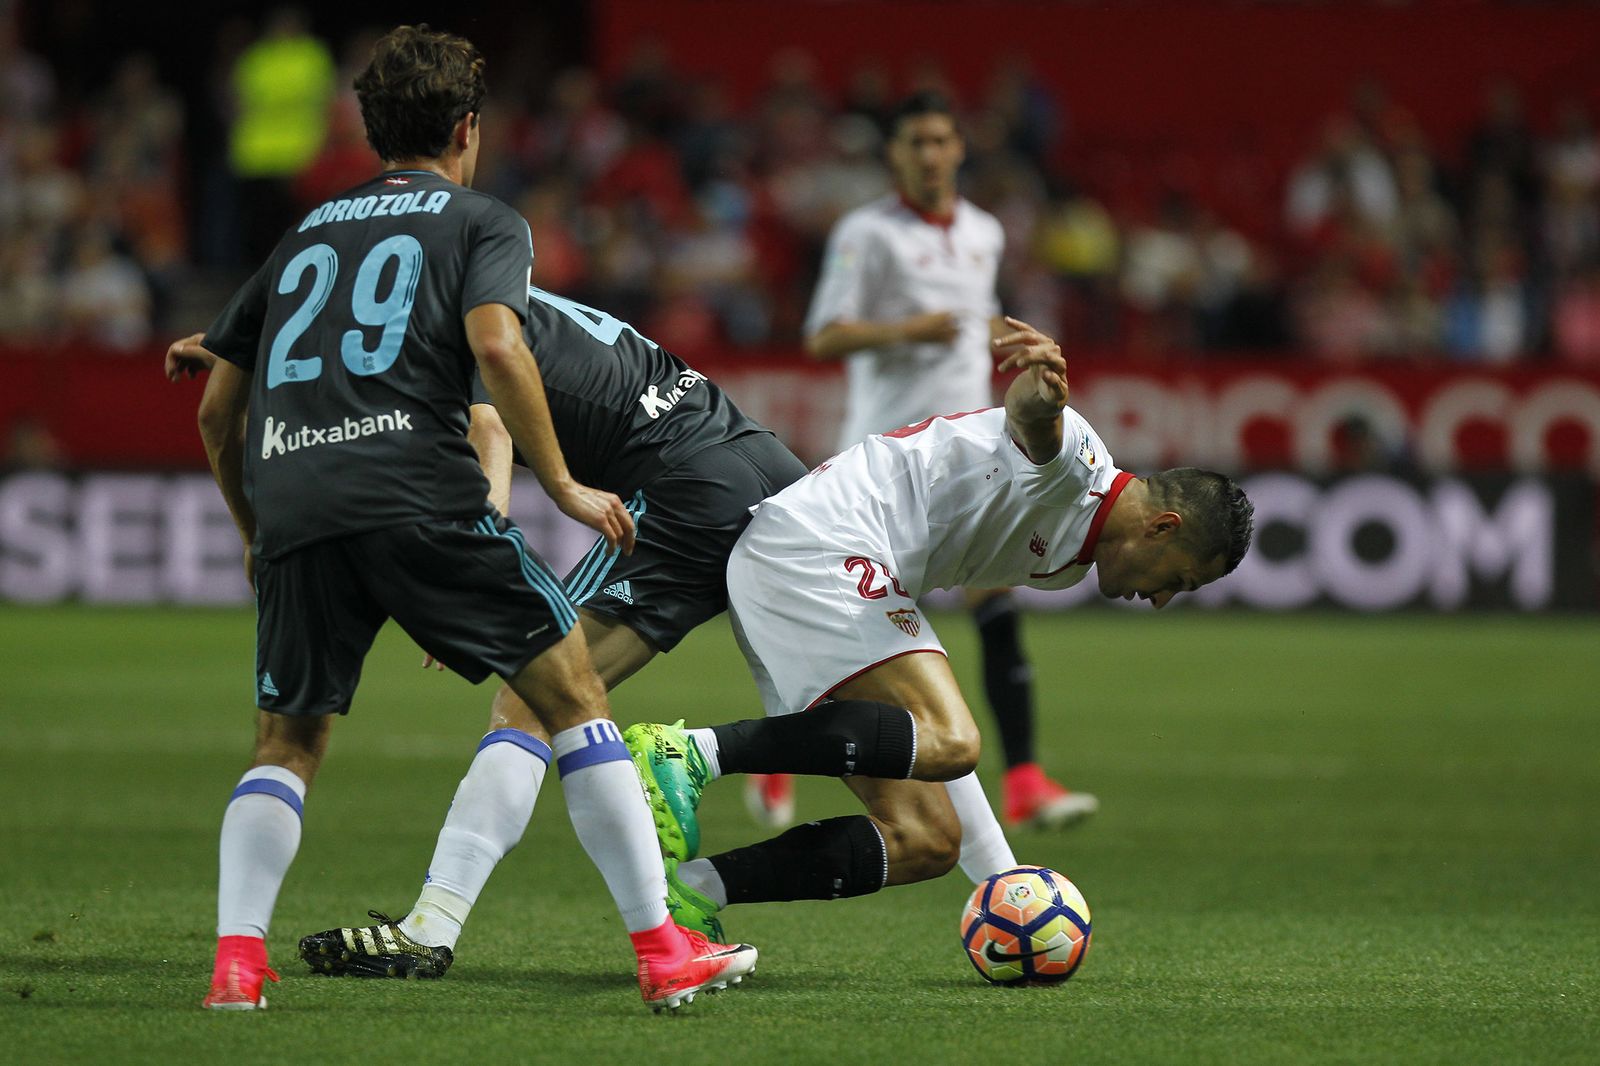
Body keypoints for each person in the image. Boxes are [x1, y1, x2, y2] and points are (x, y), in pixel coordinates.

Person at [187, 24, 754, 1013]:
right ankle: (663, 950)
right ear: (466, 128)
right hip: (412, 489)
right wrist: (568, 485)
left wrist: (251, 531)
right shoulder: (483, 222)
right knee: (571, 692)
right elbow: (497, 345)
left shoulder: (303, 235)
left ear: (370, 130)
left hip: (294, 502)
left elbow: (214, 409)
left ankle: (238, 964)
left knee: (285, 743)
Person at [165, 282, 810, 974]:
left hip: (688, 483)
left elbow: (489, 426)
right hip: (760, 460)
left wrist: (478, 562)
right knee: (889, 739)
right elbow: (349, 340)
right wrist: (227, 343)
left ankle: (437, 925)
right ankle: (939, 844)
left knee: (534, 699)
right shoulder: (476, 280)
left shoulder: (450, 304)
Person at [624, 317, 1254, 935]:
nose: (1166, 598)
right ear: (1163, 527)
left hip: (814, 570)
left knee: (924, 840)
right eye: (1181, 579)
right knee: (952, 738)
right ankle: (691, 753)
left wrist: (1009, 890)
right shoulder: (1080, 469)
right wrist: (1041, 390)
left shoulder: (1071, 560)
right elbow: (1036, 424)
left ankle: (691, 894)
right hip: (818, 546)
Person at [791, 90, 1093, 831]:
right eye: (914, 142)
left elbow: (971, 318)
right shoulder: (868, 233)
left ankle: (1024, 778)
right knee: (872, 635)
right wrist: (907, 330)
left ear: (960, 148)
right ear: (894, 154)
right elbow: (822, 338)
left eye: (940, 141)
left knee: (997, 604)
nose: (929, 155)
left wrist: (1004, 336)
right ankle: (789, 755)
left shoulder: (984, 233)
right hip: (884, 464)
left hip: (966, 454)